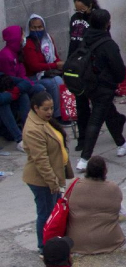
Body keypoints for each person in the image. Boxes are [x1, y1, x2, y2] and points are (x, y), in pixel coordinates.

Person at [75, 10, 126, 170]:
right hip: (103, 87)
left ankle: (122, 144)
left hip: (87, 84)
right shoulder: (108, 44)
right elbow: (119, 70)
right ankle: (85, 158)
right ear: (107, 23)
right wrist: (114, 80)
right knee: (96, 119)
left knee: (109, 113)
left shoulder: (86, 38)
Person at [23, 91, 72, 252]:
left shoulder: (44, 121)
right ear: (36, 108)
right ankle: (44, 247)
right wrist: (53, 183)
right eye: (45, 109)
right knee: (46, 214)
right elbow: (41, 161)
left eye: (51, 108)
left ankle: (53, 244)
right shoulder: (33, 129)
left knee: (54, 213)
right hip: (42, 180)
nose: (50, 112)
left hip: (52, 177)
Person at [65, 156, 124, 254]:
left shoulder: (74, 185)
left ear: (87, 170)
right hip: (108, 240)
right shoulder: (113, 188)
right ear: (105, 171)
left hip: (77, 241)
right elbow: (119, 211)